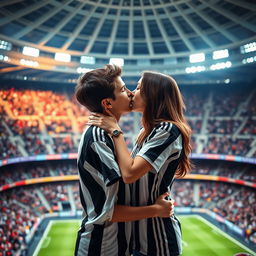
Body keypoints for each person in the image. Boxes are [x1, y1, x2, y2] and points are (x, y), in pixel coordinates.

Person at [88, 71, 193, 256]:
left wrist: (115, 131)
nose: (132, 93)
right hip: (138, 240)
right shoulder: (147, 131)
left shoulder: (168, 129)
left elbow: (129, 174)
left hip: (159, 242)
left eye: (138, 88)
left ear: (153, 95)